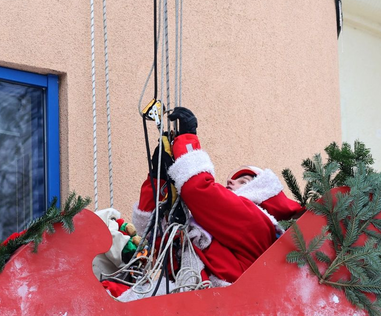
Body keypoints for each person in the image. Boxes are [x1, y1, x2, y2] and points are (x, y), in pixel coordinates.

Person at [130, 107, 304, 289]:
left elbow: (199, 190)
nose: (229, 180)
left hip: (215, 306)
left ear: (260, 193)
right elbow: (154, 234)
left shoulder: (258, 224)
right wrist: (158, 179)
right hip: (201, 305)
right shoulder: (203, 233)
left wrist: (187, 140)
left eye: (242, 181)